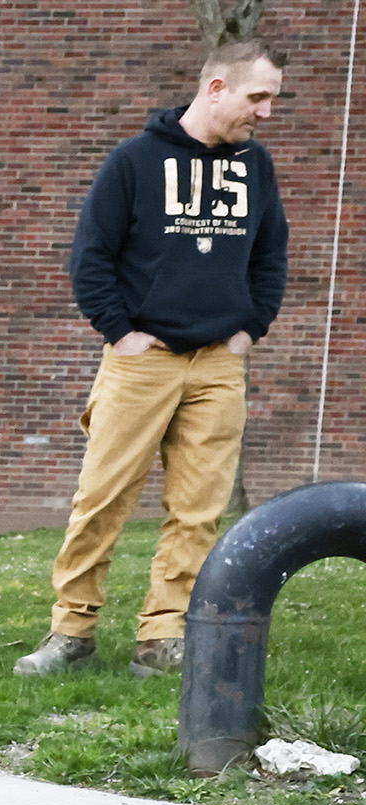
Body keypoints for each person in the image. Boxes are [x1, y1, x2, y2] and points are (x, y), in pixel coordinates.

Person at [18, 39, 289, 679]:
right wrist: (122, 332)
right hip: (143, 361)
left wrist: (249, 330)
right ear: (216, 87)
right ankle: (71, 631)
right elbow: (91, 258)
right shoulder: (135, 161)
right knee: (102, 498)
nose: (267, 113)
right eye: (259, 97)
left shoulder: (257, 167)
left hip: (219, 364)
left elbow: (271, 257)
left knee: (199, 509)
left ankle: (161, 636)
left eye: (274, 99)